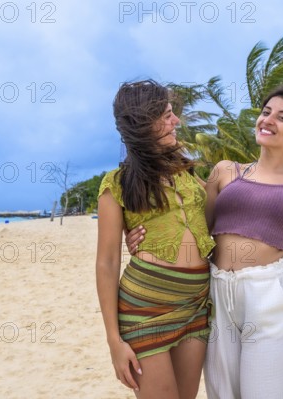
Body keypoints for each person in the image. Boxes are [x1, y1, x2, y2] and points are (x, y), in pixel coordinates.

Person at [126, 86, 283, 398]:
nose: (268, 120)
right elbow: (195, 223)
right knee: (223, 392)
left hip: (266, 296)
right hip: (215, 293)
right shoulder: (225, 171)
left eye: (282, 118)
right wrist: (139, 239)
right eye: (266, 112)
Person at [95, 80, 215, 399]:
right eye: (167, 115)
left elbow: (215, 218)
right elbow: (106, 263)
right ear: (144, 125)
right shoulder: (116, 184)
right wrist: (113, 341)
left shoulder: (188, 173)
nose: (176, 121)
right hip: (145, 311)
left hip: (195, 306)